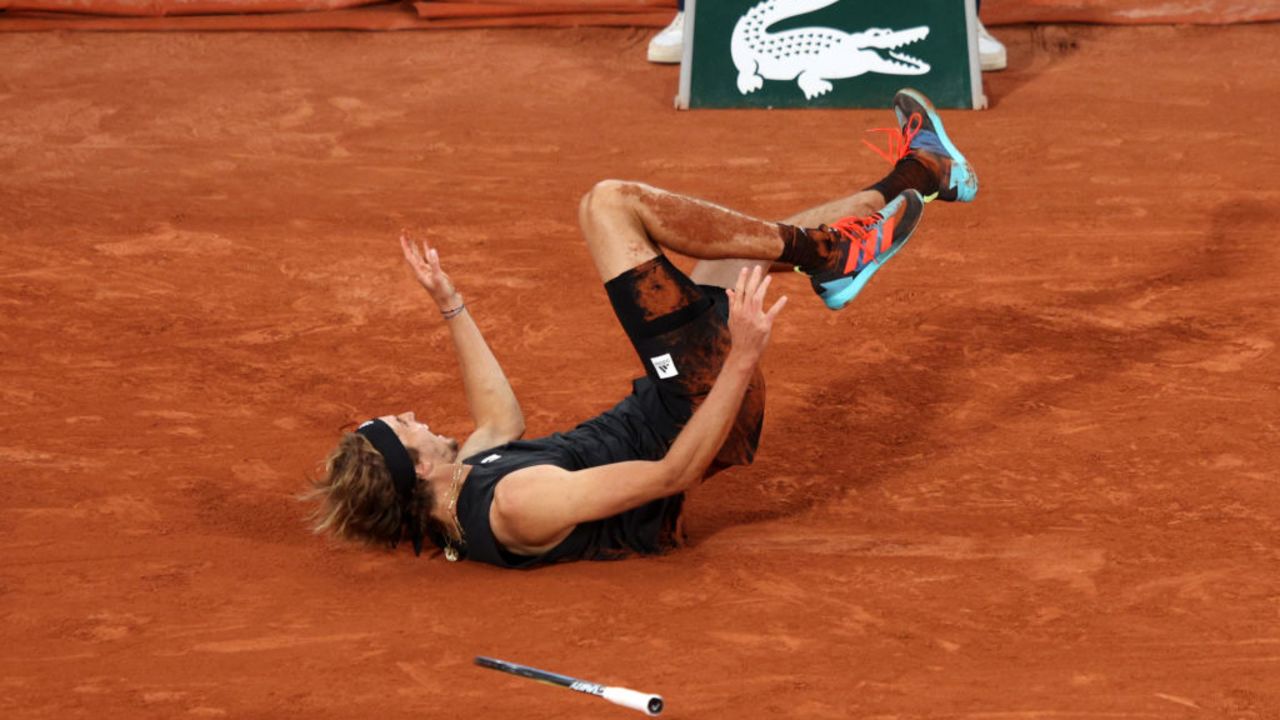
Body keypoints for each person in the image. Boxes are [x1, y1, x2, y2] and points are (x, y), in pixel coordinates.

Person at [305, 88, 977, 568]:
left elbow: (501, 420)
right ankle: (831, 253)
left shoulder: (458, 489)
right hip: (693, 410)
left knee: (741, 253)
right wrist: (741, 358)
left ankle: (923, 172)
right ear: (417, 465)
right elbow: (669, 474)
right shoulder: (515, 503)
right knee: (609, 206)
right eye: (405, 427)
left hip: (673, 398)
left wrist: (451, 304)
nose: (414, 416)